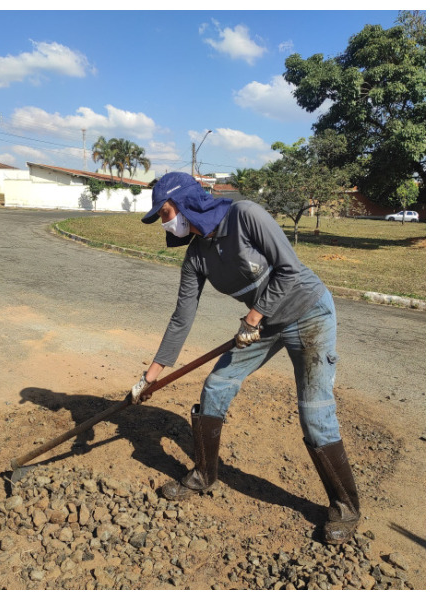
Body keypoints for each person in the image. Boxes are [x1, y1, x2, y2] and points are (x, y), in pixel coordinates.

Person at [129, 171, 359, 545]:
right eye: (161, 217)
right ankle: (205, 474)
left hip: (308, 312)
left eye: (166, 212)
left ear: (187, 203)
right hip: (260, 325)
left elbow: (290, 270)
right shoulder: (195, 257)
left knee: (314, 412)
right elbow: (182, 316)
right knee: (215, 385)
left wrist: (253, 317)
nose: (165, 222)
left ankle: (346, 507)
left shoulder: (245, 215)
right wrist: (151, 375)